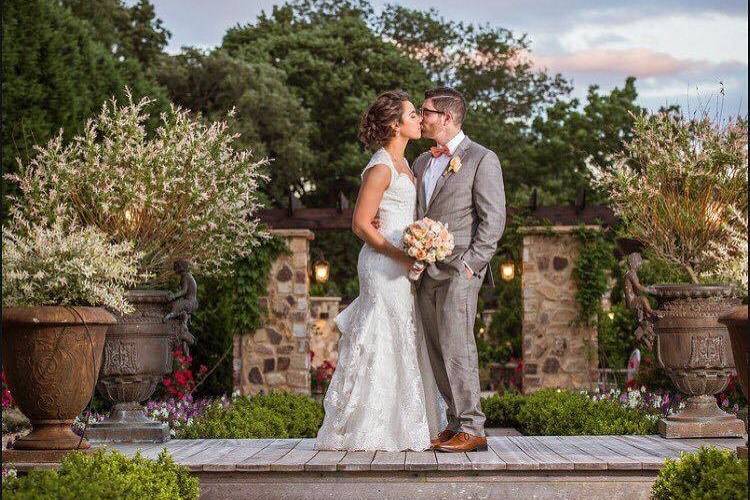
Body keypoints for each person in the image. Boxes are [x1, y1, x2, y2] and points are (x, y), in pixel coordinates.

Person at [314, 90, 441, 452]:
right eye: (413, 114)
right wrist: (401, 253)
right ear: (394, 124)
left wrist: (420, 244)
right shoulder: (381, 166)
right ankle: (368, 426)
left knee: (404, 333)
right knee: (382, 334)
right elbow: (360, 224)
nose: (419, 119)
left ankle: (404, 425)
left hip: (404, 263)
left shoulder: (408, 165)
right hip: (383, 264)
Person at [413, 87, 506, 453]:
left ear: (447, 118)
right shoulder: (421, 162)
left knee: (458, 345)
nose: (421, 118)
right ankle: (454, 423)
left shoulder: (482, 159)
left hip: (460, 270)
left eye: (426, 112)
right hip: (426, 271)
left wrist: (471, 265)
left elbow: (493, 219)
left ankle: (473, 426)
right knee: (437, 349)